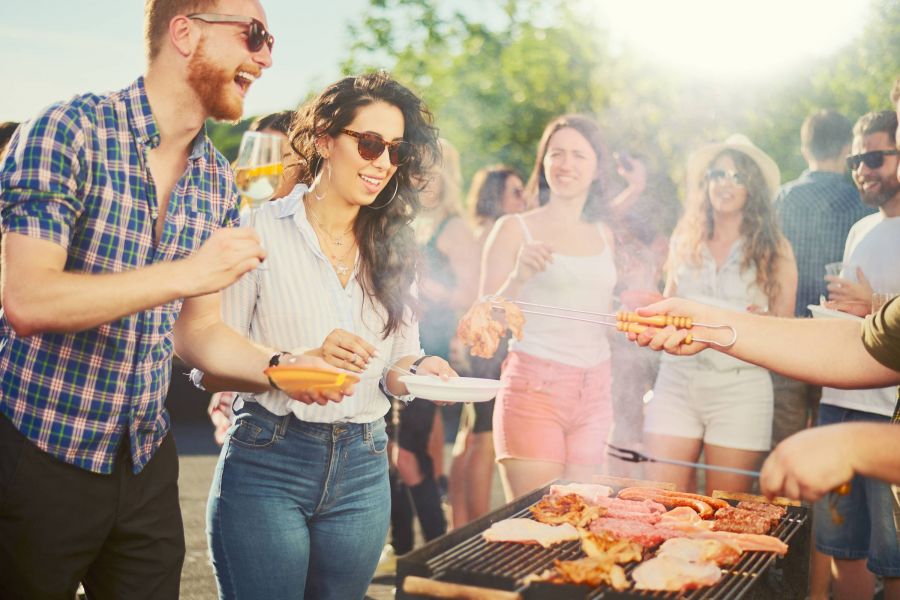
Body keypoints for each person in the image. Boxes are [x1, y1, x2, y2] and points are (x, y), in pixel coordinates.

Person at [0, 2, 343, 598]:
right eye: (253, 35)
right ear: (184, 32)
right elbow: (28, 300)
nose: (266, 55)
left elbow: (196, 332)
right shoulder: (67, 130)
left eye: (270, 40)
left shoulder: (214, 176)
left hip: (145, 460)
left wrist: (281, 365)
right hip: (36, 454)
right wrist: (185, 272)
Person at [200, 72, 455, 599]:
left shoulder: (395, 246)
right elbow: (208, 362)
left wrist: (421, 373)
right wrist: (293, 363)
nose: (382, 162)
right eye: (369, 143)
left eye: (394, 149)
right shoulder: (257, 228)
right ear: (323, 140)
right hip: (269, 459)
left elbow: (398, 365)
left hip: (364, 467)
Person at [641, 134, 797, 495]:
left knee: (724, 513)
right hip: (676, 384)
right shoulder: (685, 238)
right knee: (661, 501)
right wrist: (644, 317)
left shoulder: (776, 248)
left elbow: (786, 332)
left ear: (752, 189)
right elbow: (667, 308)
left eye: (737, 176)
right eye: (717, 174)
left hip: (740, 390)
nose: (725, 184)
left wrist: (762, 325)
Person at [481, 114, 617, 500]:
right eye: (556, 154)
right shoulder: (513, 229)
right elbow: (482, 327)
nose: (565, 164)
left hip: (595, 389)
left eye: (578, 155)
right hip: (534, 388)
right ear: (543, 163)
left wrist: (635, 321)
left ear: (597, 168)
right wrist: (519, 276)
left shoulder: (604, 234)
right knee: (538, 523)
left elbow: (600, 316)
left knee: (583, 522)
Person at [798, 110, 900, 600]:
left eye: (876, 157)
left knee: (894, 558)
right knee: (843, 551)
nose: (863, 169)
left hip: (889, 416)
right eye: (857, 159)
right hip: (841, 405)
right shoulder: (860, 229)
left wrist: (871, 305)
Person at [385, 139, 473, 559]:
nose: (426, 181)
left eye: (436, 172)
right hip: (396, 345)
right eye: (419, 171)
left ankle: (436, 550)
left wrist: (421, 285)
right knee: (389, 452)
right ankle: (400, 547)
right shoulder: (407, 220)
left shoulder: (454, 227)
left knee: (409, 453)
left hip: (430, 349)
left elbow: (471, 293)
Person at [772, 109, 873, 448]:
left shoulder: (782, 199)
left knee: (786, 447)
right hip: (838, 342)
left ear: (805, 150)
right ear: (848, 149)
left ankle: (786, 503)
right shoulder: (862, 202)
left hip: (787, 340)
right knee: (830, 451)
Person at [448, 164, 526, 526]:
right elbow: (483, 295)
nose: (524, 199)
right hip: (490, 343)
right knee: (485, 440)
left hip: (477, 342)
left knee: (469, 434)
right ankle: (475, 529)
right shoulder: (498, 232)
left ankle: (459, 523)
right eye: (516, 192)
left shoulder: (481, 231)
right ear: (498, 195)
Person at [604, 150, 680, 477]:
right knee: (624, 412)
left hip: (655, 330)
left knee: (641, 414)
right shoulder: (611, 224)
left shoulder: (663, 237)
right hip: (617, 332)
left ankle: (632, 471)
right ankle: (620, 477)